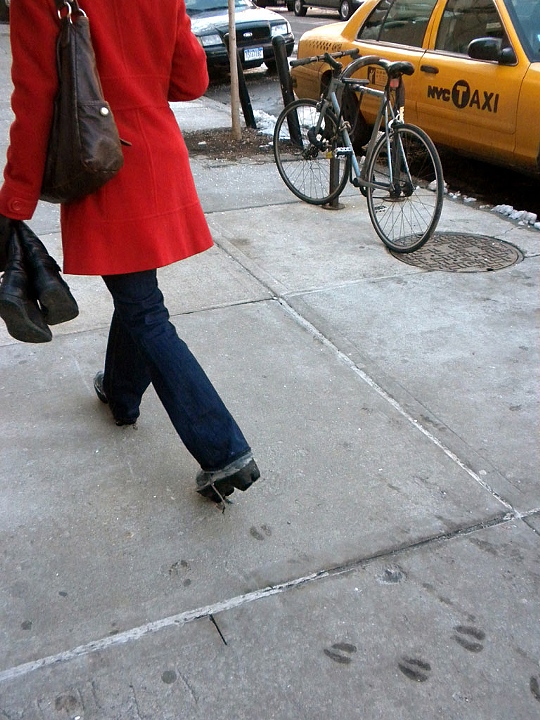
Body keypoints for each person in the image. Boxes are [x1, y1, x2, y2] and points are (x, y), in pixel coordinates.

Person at [0, 0, 260, 504]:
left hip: (102, 162)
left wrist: (15, 198)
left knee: (144, 311)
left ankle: (223, 450)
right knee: (137, 296)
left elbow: (37, 97)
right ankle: (121, 394)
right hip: (155, 155)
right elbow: (190, 81)